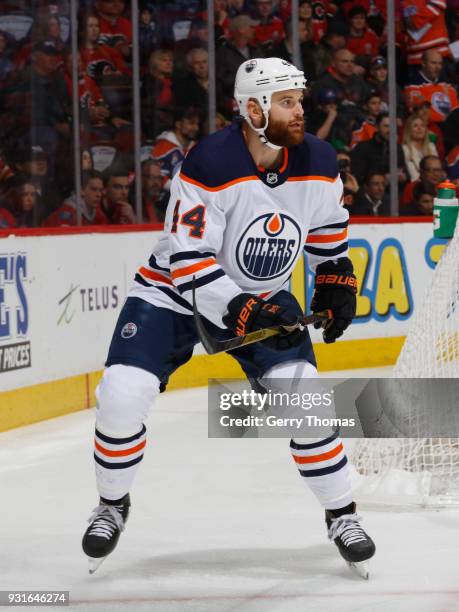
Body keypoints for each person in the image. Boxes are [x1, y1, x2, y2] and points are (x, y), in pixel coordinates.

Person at [81, 57, 376, 576]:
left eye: (299, 99)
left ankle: (342, 514)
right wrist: (235, 306)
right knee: (121, 397)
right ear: (253, 109)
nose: (299, 110)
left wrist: (335, 280)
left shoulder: (321, 160)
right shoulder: (208, 163)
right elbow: (188, 257)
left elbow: (329, 236)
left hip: (262, 294)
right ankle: (112, 503)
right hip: (173, 295)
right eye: (287, 101)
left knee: (307, 403)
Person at [350, 112, 408, 186]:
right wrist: (383, 178)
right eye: (386, 126)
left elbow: (405, 172)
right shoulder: (362, 148)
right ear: (377, 127)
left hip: (395, 191)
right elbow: (358, 176)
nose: (390, 130)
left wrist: (403, 176)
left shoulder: (397, 148)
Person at [404, 50, 459, 125]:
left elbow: (455, 111)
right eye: (433, 63)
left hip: (450, 129)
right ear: (423, 63)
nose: (437, 67)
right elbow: (419, 113)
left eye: (440, 63)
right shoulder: (412, 85)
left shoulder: (447, 85)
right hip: (427, 128)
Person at [151, 107, 200, 189]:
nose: (196, 128)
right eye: (191, 123)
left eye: (197, 124)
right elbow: (157, 179)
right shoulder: (163, 148)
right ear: (178, 124)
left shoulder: (197, 147)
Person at [42, 170, 108, 226]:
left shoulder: (98, 213)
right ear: (81, 190)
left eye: (100, 190)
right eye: (94, 189)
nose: (99, 194)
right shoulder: (67, 214)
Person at [402, 114, 438, 181]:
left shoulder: (431, 146)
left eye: (422, 125)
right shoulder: (405, 149)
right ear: (409, 130)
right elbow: (414, 175)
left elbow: (437, 171)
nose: (419, 128)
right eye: (415, 126)